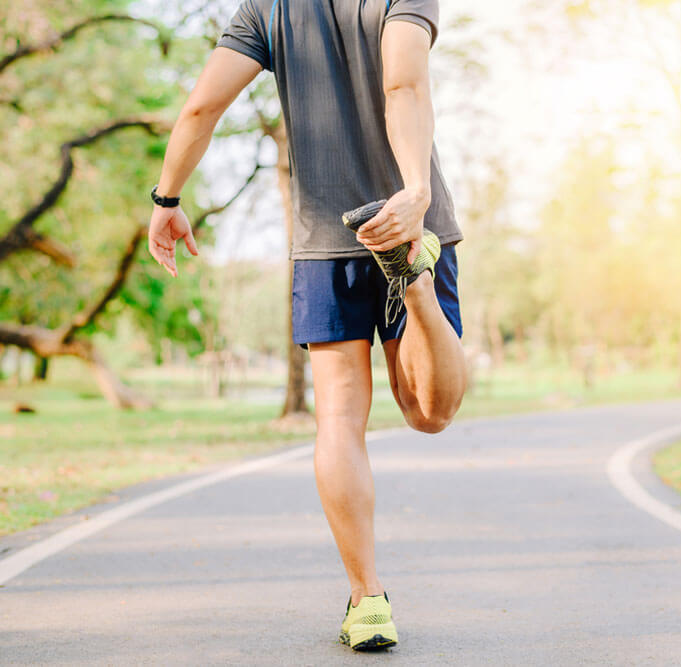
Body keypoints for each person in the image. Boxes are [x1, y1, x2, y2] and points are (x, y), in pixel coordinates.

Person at [147, 0, 467, 652]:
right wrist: (413, 195)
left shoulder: (267, 6)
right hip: (410, 220)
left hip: (328, 236)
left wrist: (168, 197)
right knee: (428, 413)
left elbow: (201, 109)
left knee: (339, 418)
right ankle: (418, 282)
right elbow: (403, 82)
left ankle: (368, 599)